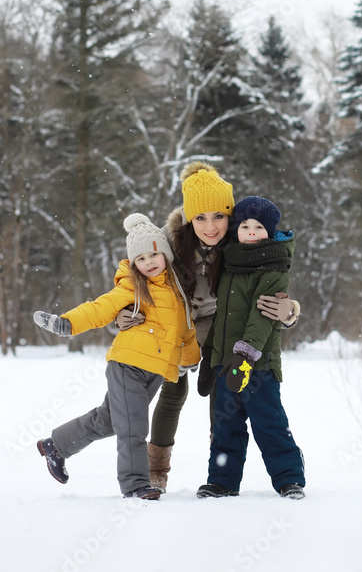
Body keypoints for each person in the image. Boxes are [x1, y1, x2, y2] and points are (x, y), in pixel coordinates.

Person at [114, 162, 301, 493]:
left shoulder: (242, 238)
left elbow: (271, 276)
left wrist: (291, 310)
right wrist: (124, 311)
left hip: (219, 321)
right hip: (177, 321)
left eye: (218, 216)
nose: (210, 226)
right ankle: (157, 467)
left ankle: (222, 473)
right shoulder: (171, 240)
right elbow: (135, 271)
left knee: (225, 385)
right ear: (189, 218)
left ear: (230, 215)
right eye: (200, 217)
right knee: (174, 388)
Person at [33, 213, 199, 500]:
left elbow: (186, 328)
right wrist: (68, 323)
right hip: (128, 365)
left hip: (155, 371)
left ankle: (56, 446)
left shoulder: (177, 291)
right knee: (133, 426)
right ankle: (135, 485)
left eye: (153, 254)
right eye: (141, 259)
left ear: (166, 253)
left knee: (111, 420)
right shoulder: (133, 286)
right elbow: (101, 308)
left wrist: (190, 359)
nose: (148, 262)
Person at [196, 196, 306, 500]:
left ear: (269, 232)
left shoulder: (273, 265)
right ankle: (222, 480)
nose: (252, 231)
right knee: (225, 427)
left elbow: (263, 315)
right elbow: (221, 315)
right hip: (224, 362)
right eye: (245, 225)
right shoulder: (230, 262)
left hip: (258, 365)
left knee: (268, 424)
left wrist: (244, 356)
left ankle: (289, 479)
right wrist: (213, 357)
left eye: (259, 226)